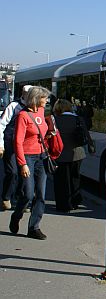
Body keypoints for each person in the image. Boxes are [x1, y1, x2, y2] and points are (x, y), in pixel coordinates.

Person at [9, 86, 50, 240]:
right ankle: (16, 215)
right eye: (44, 98)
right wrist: (22, 164)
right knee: (27, 194)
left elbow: (41, 132)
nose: (46, 101)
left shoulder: (41, 112)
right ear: (36, 98)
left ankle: (34, 227)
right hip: (27, 157)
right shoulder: (23, 116)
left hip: (42, 157)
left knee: (40, 194)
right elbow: (17, 142)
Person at [52, 99, 92, 212]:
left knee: (62, 181)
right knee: (75, 178)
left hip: (60, 154)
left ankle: (64, 204)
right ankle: (75, 201)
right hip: (78, 154)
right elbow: (86, 134)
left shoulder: (55, 120)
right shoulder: (78, 119)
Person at [0, 85, 32, 210]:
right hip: (11, 146)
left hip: (26, 147)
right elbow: (1, 125)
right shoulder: (13, 106)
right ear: (23, 94)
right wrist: (1, 145)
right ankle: (6, 197)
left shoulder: (33, 108)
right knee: (12, 172)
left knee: (25, 174)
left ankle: (20, 199)